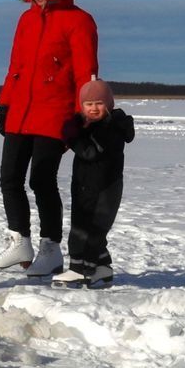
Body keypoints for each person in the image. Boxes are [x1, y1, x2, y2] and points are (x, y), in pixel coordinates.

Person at [0, 0, 98, 278]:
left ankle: (51, 250)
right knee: (10, 178)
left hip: (55, 114)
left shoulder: (79, 21)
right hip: (21, 110)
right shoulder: (26, 20)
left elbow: (85, 72)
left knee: (42, 180)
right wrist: (4, 104)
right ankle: (19, 241)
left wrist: (82, 115)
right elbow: (15, 67)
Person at [55, 77, 133, 287]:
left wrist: (72, 137)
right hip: (84, 186)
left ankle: (84, 270)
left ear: (108, 104)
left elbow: (91, 152)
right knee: (79, 227)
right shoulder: (89, 125)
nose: (94, 108)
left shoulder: (111, 127)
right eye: (88, 104)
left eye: (99, 103)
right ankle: (101, 268)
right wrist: (77, 129)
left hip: (105, 189)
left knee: (93, 232)